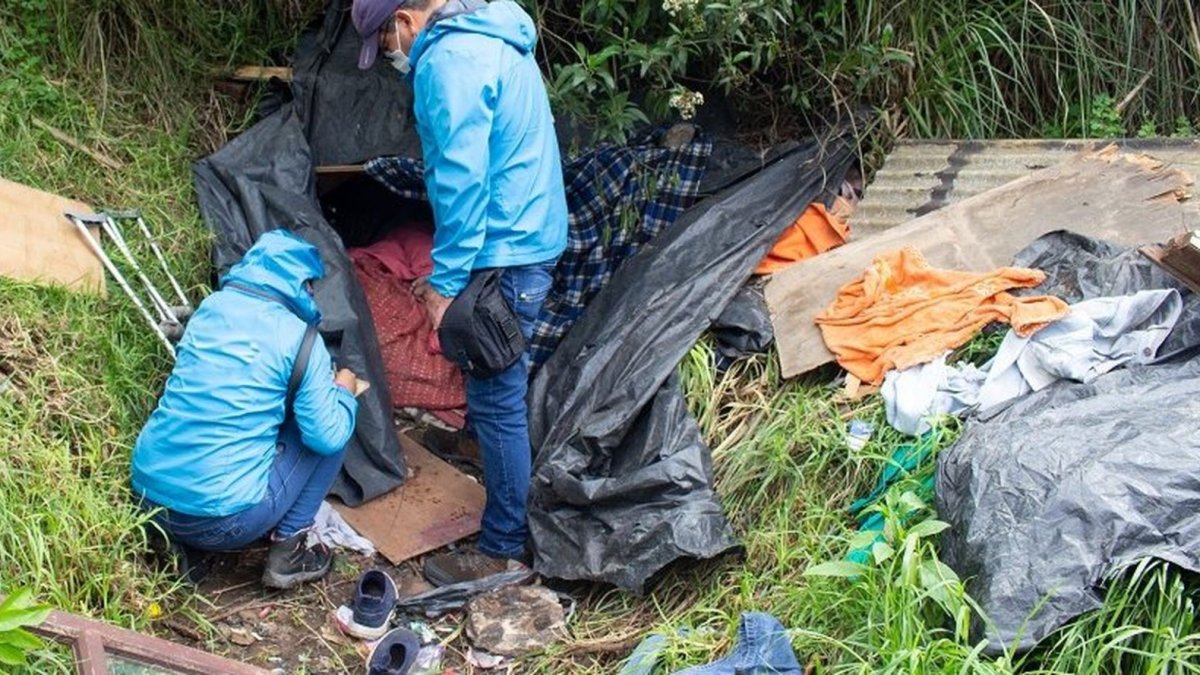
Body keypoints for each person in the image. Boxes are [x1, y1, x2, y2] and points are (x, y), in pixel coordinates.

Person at [352, 0, 568, 584]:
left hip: (504, 248)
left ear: (404, 19)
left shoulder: (449, 58)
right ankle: (500, 486)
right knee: (501, 384)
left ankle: (501, 547)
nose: (394, 54)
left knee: (496, 394)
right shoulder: (497, 34)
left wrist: (446, 284)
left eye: (387, 41)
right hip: (530, 233)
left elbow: (460, 179)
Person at [131, 230, 360, 589]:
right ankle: (290, 552)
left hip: (147, 498)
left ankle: (182, 546)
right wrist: (344, 393)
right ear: (299, 283)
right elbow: (326, 436)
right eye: (311, 284)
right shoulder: (302, 338)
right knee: (333, 423)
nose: (313, 293)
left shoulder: (211, 309)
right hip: (222, 523)